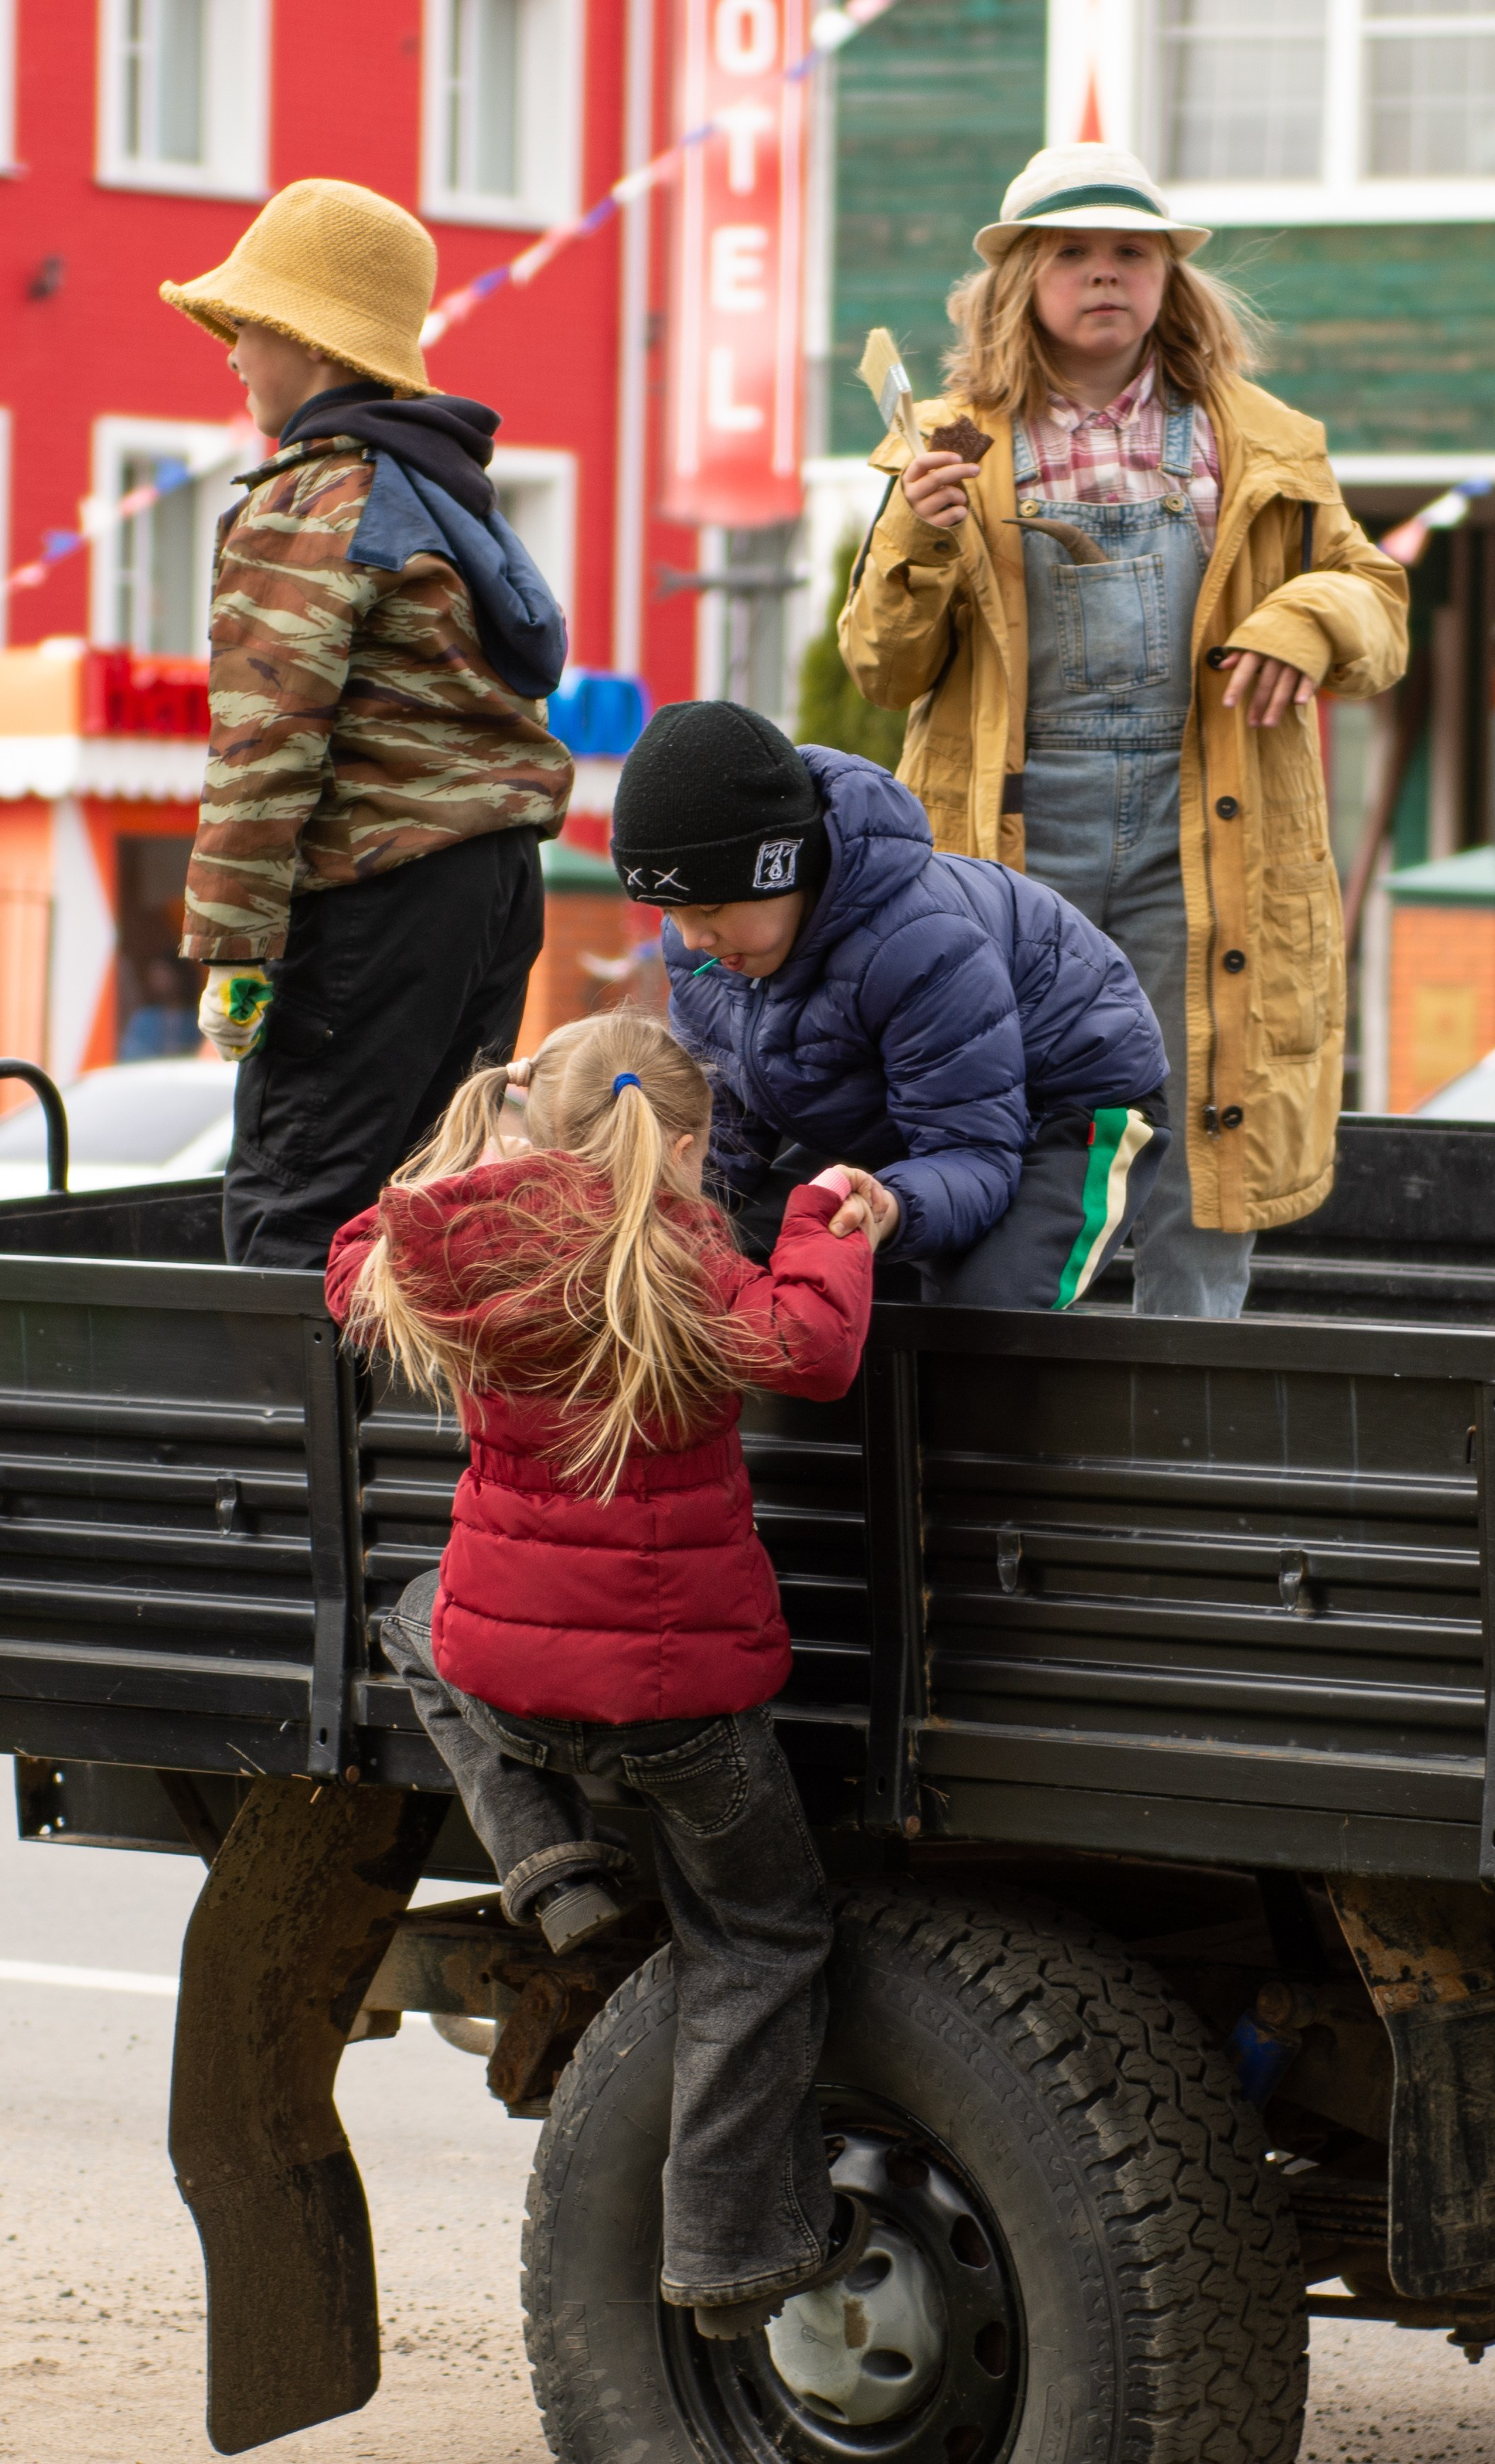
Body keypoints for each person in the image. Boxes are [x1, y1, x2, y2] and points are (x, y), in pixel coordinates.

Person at [325, 1007, 891, 2339]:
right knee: (759, 1938)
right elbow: (815, 1345)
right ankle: (725, 2254)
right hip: (682, 1712)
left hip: (509, 1675)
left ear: (544, 1124)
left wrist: (470, 1147)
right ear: (685, 1144)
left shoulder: (455, 1251)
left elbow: (351, 1260)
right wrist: (823, 1213)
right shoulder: (685, 1265)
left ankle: (547, 1860)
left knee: (416, 1613)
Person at [838, 142, 1410, 1318]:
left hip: (1206, 841)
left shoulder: (1261, 443)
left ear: (1169, 279)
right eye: (1075, 253)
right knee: (1002, 1109)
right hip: (1009, 845)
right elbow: (881, 669)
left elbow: (1382, 610)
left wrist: (1308, 616)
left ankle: (1185, 1420)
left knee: (1207, 1113)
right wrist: (919, 537)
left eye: (1132, 254)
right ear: (1022, 281)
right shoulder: (943, 445)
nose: (1108, 274)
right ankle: (1004, 1414)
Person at [160, 178, 573, 1268]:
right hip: (491, 892)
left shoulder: (310, 499)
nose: (232, 351)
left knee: (297, 1216)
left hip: (371, 906)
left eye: (247, 323)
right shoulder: (441, 489)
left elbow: (263, 747)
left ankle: (288, 1445)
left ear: (306, 335)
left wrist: (231, 952)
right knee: (430, 1219)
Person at [610, 697, 1169, 1311]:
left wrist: (888, 1206)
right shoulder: (708, 952)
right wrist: (667, 1218)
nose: (691, 937)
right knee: (714, 1268)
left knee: (984, 1309)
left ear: (781, 869)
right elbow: (728, 1137)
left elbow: (971, 1151)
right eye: (671, 912)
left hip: (1066, 1108)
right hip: (893, 1107)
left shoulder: (920, 943)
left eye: (710, 909)